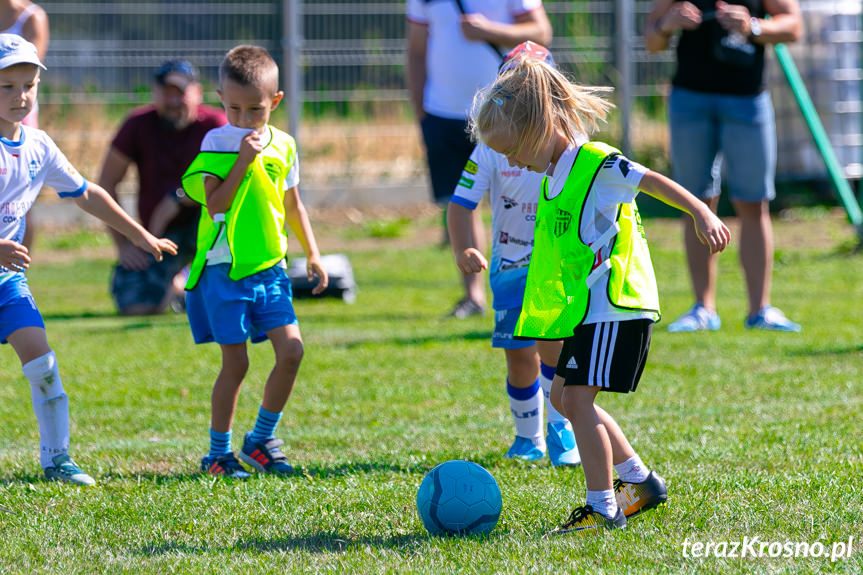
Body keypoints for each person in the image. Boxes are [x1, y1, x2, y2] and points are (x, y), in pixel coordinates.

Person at [469, 57, 731, 532]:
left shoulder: (596, 165)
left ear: (537, 126)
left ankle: (603, 506)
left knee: (578, 402)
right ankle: (639, 480)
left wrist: (701, 213)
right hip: (591, 310)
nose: (509, 163)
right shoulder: (554, 177)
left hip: (617, 305)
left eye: (511, 151)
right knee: (565, 397)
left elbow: (651, 180)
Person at [0, 34, 177, 486]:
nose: (20, 96)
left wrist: (141, 235)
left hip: (6, 283)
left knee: (43, 366)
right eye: (7, 87)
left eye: (28, 85)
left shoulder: (38, 146)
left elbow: (88, 194)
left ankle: (57, 460)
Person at [181, 45, 328, 478]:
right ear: (220, 98)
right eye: (234, 108)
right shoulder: (216, 142)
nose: (244, 119)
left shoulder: (284, 144)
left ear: (275, 101)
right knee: (237, 363)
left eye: (256, 110)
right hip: (224, 271)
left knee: (292, 351)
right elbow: (215, 205)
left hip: (272, 269)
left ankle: (261, 439)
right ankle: (217, 454)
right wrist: (243, 160)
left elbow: (293, 203)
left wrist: (313, 252)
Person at [448, 42, 579, 467]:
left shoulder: (575, 144)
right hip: (509, 265)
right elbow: (461, 203)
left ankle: (561, 429)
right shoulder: (491, 144)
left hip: (557, 267)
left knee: (554, 349)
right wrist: (463, 246)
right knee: (520, 353)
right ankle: (528, 437)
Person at [644, 0, 803, 332]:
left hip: (748, 100)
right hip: (690, 99)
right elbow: (651, 40)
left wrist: (753, 27)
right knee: (695, 202)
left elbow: (793, 27)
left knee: (753, 201)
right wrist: (668, 24)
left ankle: (761, 310)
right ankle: (703, 308)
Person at [406, 0, 552, 319]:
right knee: (461, 200)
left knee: (522, 200)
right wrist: (420, 109)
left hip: (506, 118)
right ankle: (473, 296)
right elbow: (416, 49)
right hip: (442, 113)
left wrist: (491, 31)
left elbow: (542, 32)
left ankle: (539, 285)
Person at [98, 59, 226, 316]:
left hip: (210, 230)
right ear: (155, 94)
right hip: (159, 236)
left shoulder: (215, 125)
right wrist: (126, 242)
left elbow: (231, 180)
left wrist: (177, 198)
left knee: (225, 301)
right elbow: (106, 183)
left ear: (198, 93)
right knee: (136, 306)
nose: (173, 102)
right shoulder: (138, 124)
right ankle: (181, 288)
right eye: (166, 94)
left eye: (181, 94)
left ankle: (192, 279)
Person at [0, 0, 49, 250]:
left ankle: (17, 268)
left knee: (20, 203)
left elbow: (25, 71)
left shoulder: (31, 17)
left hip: (18, 116)